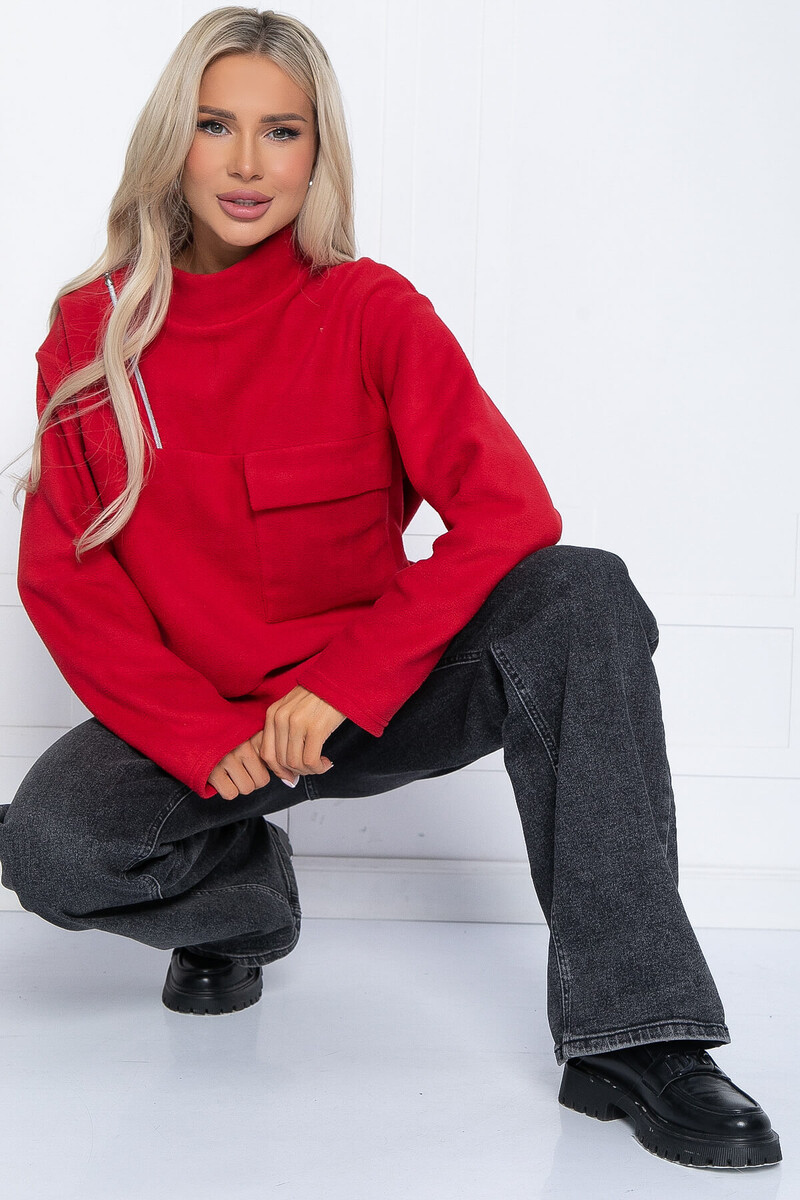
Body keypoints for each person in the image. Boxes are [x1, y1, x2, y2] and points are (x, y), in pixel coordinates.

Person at [0, 5, 781, 1172]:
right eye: (216, 126)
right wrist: (201, 734)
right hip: (210, 725)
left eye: (282, 131)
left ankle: (637, 1038)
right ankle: (243, 900)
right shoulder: (92, 329)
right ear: (173, 139)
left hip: (376, 695)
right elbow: (67, 573)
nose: (248, 163)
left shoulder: (370, 311)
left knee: (581, 593)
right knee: (49, 849)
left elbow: (509, 512)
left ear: (317, 152)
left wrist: (346, 683)